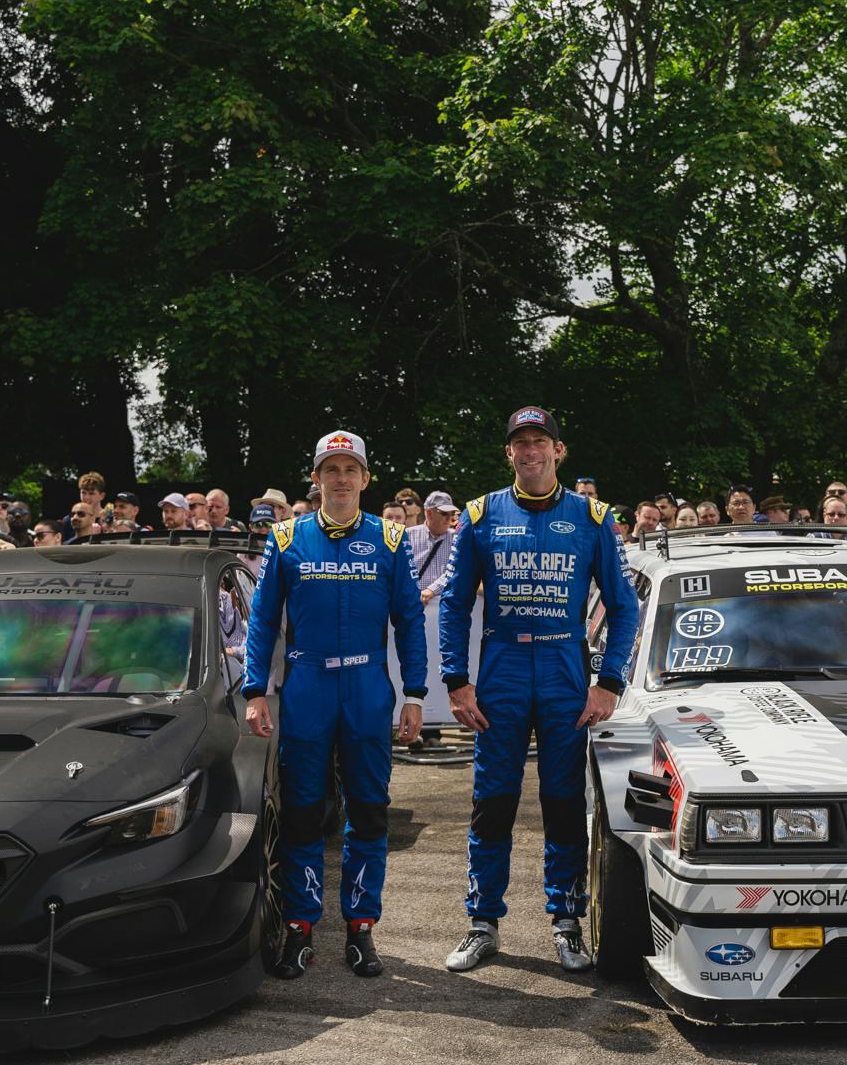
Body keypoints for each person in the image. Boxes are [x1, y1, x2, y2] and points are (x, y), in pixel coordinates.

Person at [439, 406, 640, 975]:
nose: (530, 451)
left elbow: (625, 608)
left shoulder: (593, 517)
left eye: (540, 442)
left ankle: (566, 922)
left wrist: (609, 683)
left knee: (563, 802)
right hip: (501, 665)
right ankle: (482, 922)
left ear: (558, 450)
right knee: (493, 801)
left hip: (563, 666)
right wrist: (457, 681)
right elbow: (454, 606)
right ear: (509, 454)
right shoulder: (480, 515)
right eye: (520, 443)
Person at [242, 429, 426, 980]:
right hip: (308, 686)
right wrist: (255, 690)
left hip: (368, 687)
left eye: (351, 470)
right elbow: (262, 621)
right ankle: (300, 925)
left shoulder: (392, 541)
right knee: (302, 812)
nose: (341, 479)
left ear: (365, 479)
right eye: (331, 469)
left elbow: (410, 623)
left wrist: (414, 694)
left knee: (368, 809)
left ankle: (361, 926)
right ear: (316, 478)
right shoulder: (284, 538)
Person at [406, 490, 459, 604]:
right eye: (445, 513)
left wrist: (431, 590)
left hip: (447, 608)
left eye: (452, 513)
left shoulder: (458, 538)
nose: (449, 518)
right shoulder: (407, 536)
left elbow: (457, 570)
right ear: (429, 513)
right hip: (412, 606)